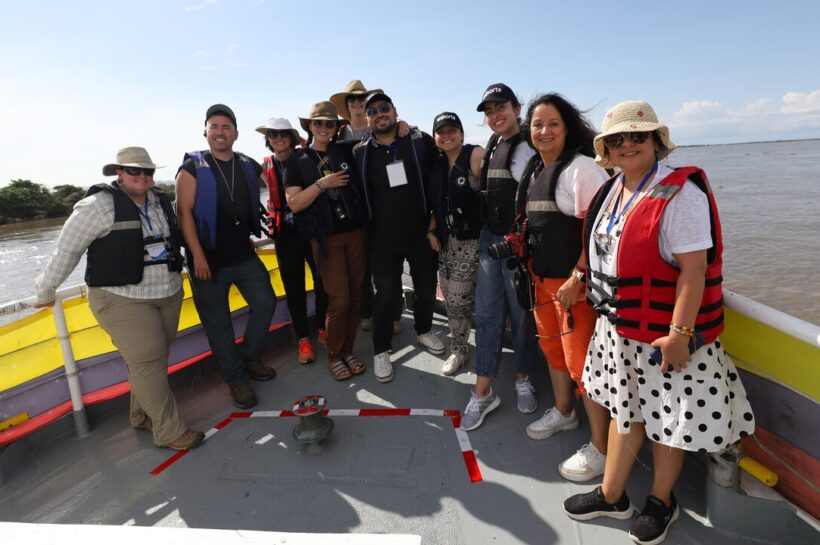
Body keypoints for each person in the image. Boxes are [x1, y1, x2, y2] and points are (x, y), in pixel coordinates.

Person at [563, 100, 755, 545]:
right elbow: (603, 251)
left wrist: (680, 335)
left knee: (667, 420)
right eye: (617, 139)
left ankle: (661, 500)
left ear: (656, 142)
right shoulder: (612, 190)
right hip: (616, 330)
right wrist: (577, 278)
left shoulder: (679, 193)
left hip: (662, 337)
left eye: (638, 136)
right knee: (623, 411)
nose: (627, 144)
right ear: (606, 150)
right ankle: (612, 495)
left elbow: (694, 269)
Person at [34, 147, 204, 451]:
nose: (142, 176)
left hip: (166, 293)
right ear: (119, 173)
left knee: (151, 360)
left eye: (147, 171)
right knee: (149, 359)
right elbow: (66, 252)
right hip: (121, 297)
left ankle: (140, 415)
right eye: (134, 171)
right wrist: (46, 291)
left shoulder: (159, 201)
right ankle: (168, 431)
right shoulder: (96, 207)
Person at [517, 94, 612, 482]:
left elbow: (603, 231)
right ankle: (564, 412)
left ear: (567, 127)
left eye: (553, 123)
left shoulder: (582, 169)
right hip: (541, 281)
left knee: (582, 366)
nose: (544, 131)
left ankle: (603, 449)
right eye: (537, 125)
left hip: (574, 288)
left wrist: (579, 277)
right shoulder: (537, 170)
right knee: (552, 350)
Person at [176, 104, 277, 410]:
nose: (220, 132)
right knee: (218, 325)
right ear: (205, 131)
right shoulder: (192, 168)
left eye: (226, 127)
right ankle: (236, 379)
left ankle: (249, 357)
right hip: (208, 262)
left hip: (243, 256)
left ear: (235, 133)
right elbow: (184, 214)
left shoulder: (247, 164)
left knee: (266, 303)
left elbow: (278, 173)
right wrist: (198, 257)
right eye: (214, 126)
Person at [461, 83, 544, 431]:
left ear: (517, 107)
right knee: (487, 314)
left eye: (501, 108)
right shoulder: (493, 144)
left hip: (517, 246)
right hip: (488, 241)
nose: (495, 116)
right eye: (489, 111)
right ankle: (483, 390)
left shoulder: (529, 147)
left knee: (522, 315)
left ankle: (523, 376)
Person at [353, 92, 445, 383]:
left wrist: (434, 225)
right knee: (387, 295)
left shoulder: (418, 142)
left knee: (427, 289)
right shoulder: (360, 152)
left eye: (384, 108)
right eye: (372, 111)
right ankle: (381, 350)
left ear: (395, 112)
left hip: (419, 233)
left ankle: (423, 330)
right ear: (366, 119)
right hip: (382, 238)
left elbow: (442, 172)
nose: (379, 114)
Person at [284, 101, 367, 381]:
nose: (323, 128)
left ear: (336, 128)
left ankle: (348, 349)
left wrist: (406, 126)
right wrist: (323, 184)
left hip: (354, 234)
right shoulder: (297, 160)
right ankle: (334, 354)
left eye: (329, 124)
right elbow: (294, 204)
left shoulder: (344, 151)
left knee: (356, 297)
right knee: (339, 299)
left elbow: (373, 137)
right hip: (325, 239)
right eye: (317, 123)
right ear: (309, 126)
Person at [330, 79, 403, 334]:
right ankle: (366, 311)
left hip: (382, 204)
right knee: (361, 267)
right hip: (354, 208)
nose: (358, 103)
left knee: (389, 265)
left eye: (362, 99)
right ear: (347, 105)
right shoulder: (338, 134)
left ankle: (395, 313)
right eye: (352, 99)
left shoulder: (381, 126)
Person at [257, 117, 329, 365]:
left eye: (283, 134)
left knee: (322, 281)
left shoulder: (306, 158)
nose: (277, 138)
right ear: (268, 140)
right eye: (273, 135)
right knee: (294, 289)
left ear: (291, 137)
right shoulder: (264, 167)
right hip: (285, 236)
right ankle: (303, 339)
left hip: (311, 230)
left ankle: (322, 328)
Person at [429, 112, 484, 375]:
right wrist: (430, 230)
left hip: (471, 241)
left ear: (462, 133)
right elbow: (434, 206)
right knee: (452, 301)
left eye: (452, 130)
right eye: (441, 131)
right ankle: (460, 348)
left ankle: (467, 349)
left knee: (460, 298)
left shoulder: (474, 156)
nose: (446, 135)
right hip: (445, 241)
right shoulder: (436, 163)